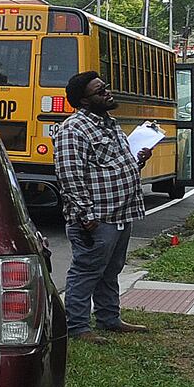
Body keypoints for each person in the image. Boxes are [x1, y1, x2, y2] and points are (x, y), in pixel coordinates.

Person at [52, 70, 155, 339]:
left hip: (121, 213)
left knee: (111, 270)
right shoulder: (73, 130)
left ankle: (109, 318)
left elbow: (111, 165)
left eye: (106, 87)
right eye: (100, 91)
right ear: (84, 101)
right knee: (86, 271)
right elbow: (69, 175)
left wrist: (138, 160)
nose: (108, 93)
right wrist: (87, 215)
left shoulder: (109, 123)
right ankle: (77, 326)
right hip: (97, 218)